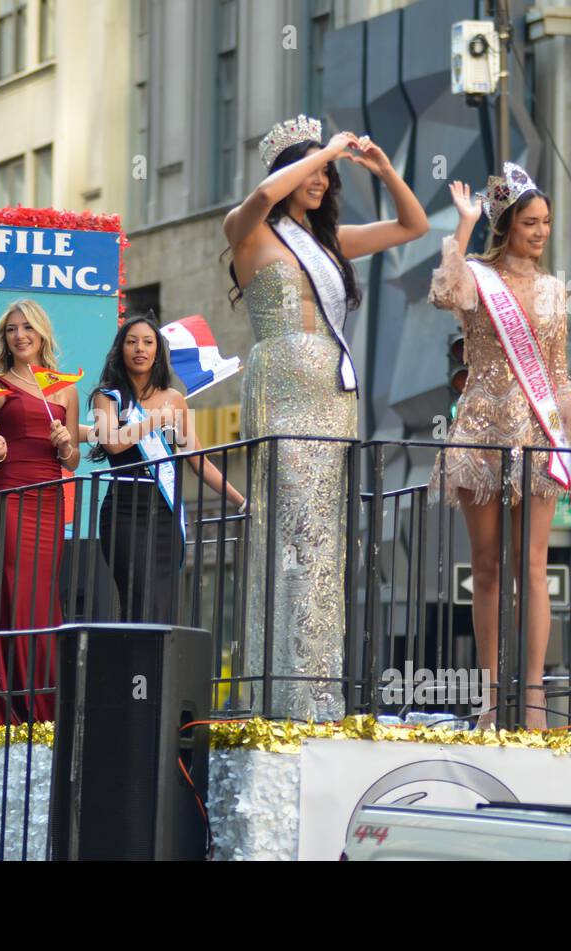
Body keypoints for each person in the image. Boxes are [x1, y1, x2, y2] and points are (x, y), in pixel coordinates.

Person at [223, 115, 428, 721]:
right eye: (311, 170)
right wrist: (325, 150)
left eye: (328, 174)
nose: (322, 180)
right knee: (289, 535)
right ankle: (282, 689)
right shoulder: (249, 232)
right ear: (289, 173)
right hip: (283, 387)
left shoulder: (330, 242)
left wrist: (385, 169)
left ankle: (317, 689)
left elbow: (412, 225)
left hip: (334, 395)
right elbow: (260, 197)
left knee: (323, 539)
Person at [429, 166, 571, 730]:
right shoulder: (478, 276)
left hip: (536, 434)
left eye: (547, 222)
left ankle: (531, 701)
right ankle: (486, 700)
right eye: (530, 222)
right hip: (481, 432)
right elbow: (442, 292)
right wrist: (462, 228)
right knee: (486, 566)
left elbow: (556, 374)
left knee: (532, 566)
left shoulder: (555, 291)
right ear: (506, 225)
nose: (541, 231)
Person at [90, 312, 245, 622]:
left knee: (162, 603)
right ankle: (133, 669)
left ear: (158, 352)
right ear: (120, 350)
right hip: (124, 512)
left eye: (148, 342)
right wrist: (156, 420)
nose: (140, 349)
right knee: (138, 598)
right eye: (131, 342)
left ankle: (157, 669)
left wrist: (241, 500)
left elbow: (198, 460)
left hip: (164, 515)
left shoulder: (174, 400)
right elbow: (114, 443)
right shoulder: (107, 398)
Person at [0, 300, 80, 724]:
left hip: (49, 498)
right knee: (10, 591)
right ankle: (6, 703)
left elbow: (71, 462)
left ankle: (46, 698)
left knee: (42, 594)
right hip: (10, 495)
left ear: (42, 334)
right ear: (5, 338)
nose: (20, 335)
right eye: (12, 329)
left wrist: (64, 443)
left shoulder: (65, 388)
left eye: (27, 328)